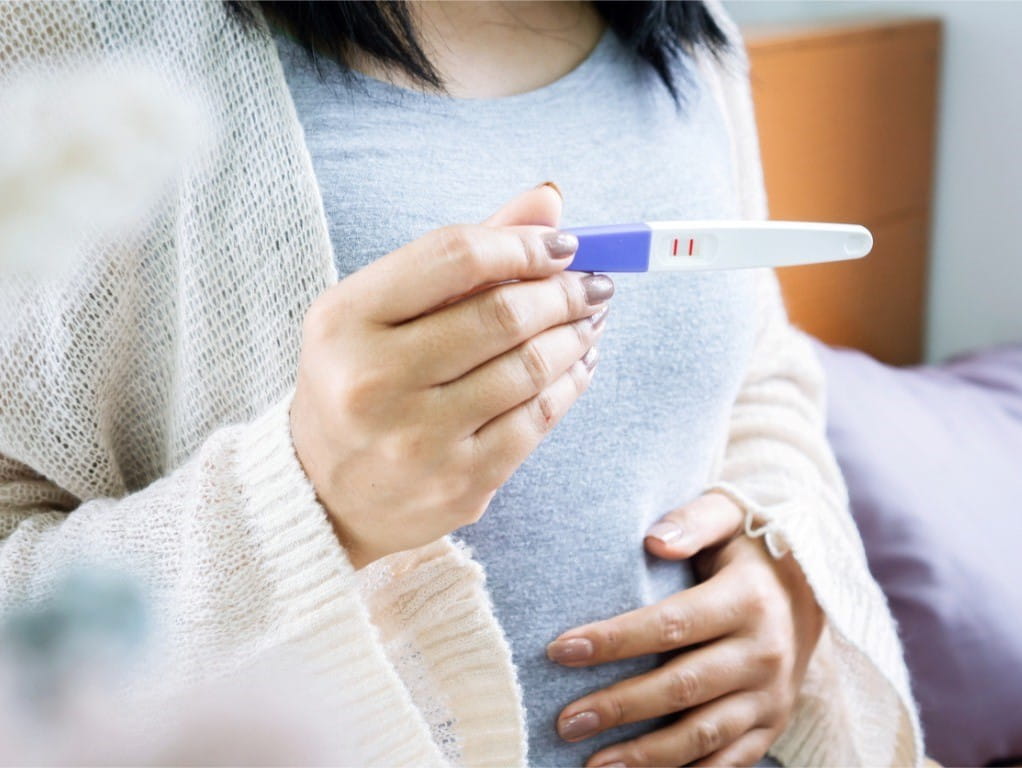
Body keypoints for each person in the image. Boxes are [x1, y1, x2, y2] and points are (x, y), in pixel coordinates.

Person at [0, 1, 919, 766]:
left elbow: (761, 360)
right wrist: (307, 497)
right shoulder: (68, 44)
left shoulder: (690, 25)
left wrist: (783, 564)